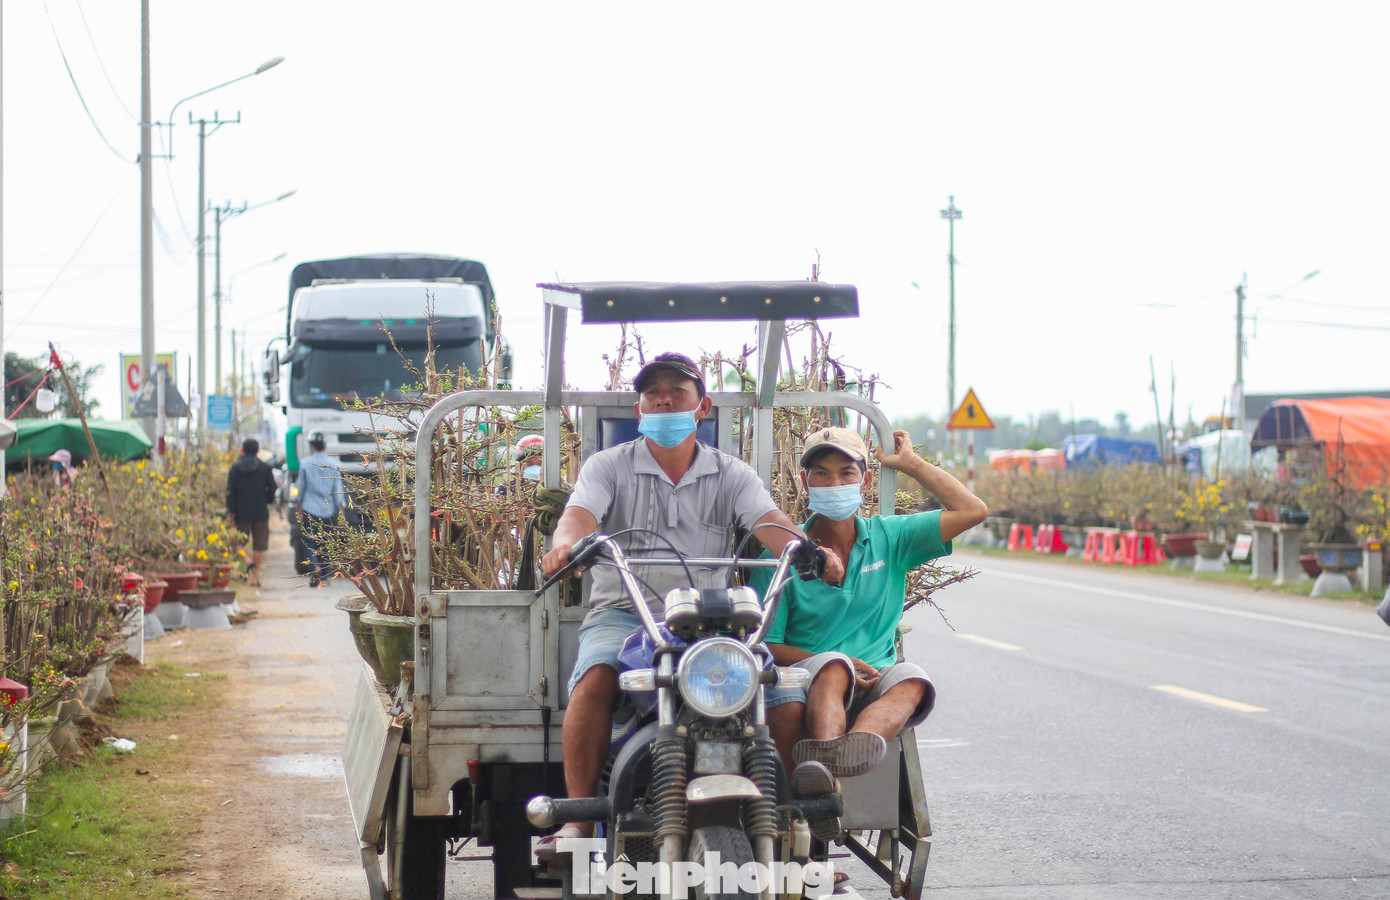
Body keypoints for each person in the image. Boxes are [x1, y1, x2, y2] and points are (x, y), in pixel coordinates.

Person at [535, 352, 846, 858]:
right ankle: (579, 819)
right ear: (639, 411)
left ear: (701, 408)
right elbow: (579, 516)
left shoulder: (731, 472)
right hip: (624, 612)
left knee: (780, 692)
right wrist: (565, 546)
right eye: (653, 394)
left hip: (712, 620)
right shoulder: (607, 466)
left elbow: (768, 521)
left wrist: (811, 549)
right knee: (594, 677)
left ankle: (786, 822)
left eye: (677, 392)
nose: (664, 400)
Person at [752, 427, 988, 812]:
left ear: (866, 478)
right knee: (834, 668)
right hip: (811, 676)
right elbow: (766, 645)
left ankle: (844, 756)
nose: (834, 482)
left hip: (877, 679)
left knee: (913, 679)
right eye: (822, 473)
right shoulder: (782, 556)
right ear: (804, 482)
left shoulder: (890, 538)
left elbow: (972, 510)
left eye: (846, 472)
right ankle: (825, 785)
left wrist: (911, 464)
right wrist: (839, 660)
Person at [226, 438, 278, 586]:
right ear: (257, 451)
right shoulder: (265, 468)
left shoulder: (236, 468)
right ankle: (254, 578)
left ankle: (247, 560)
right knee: (258, 546)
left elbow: (230, 491)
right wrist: (267, 500)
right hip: (260, 511)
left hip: (241, 512)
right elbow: (273, 488)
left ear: (242, 450)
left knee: (237, 542)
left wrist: (230, 512)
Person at [296, 433, 345, 588]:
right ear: (325, 445)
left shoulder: (305, 464)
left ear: (311, 446)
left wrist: (298, 507)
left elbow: (301, 488)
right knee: (325, 543)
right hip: (328, 510)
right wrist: (341, 511)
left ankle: (314, 567)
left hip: (309, 509)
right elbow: (338, 490)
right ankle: (324, 577)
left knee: (309, 542)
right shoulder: (334, 464)